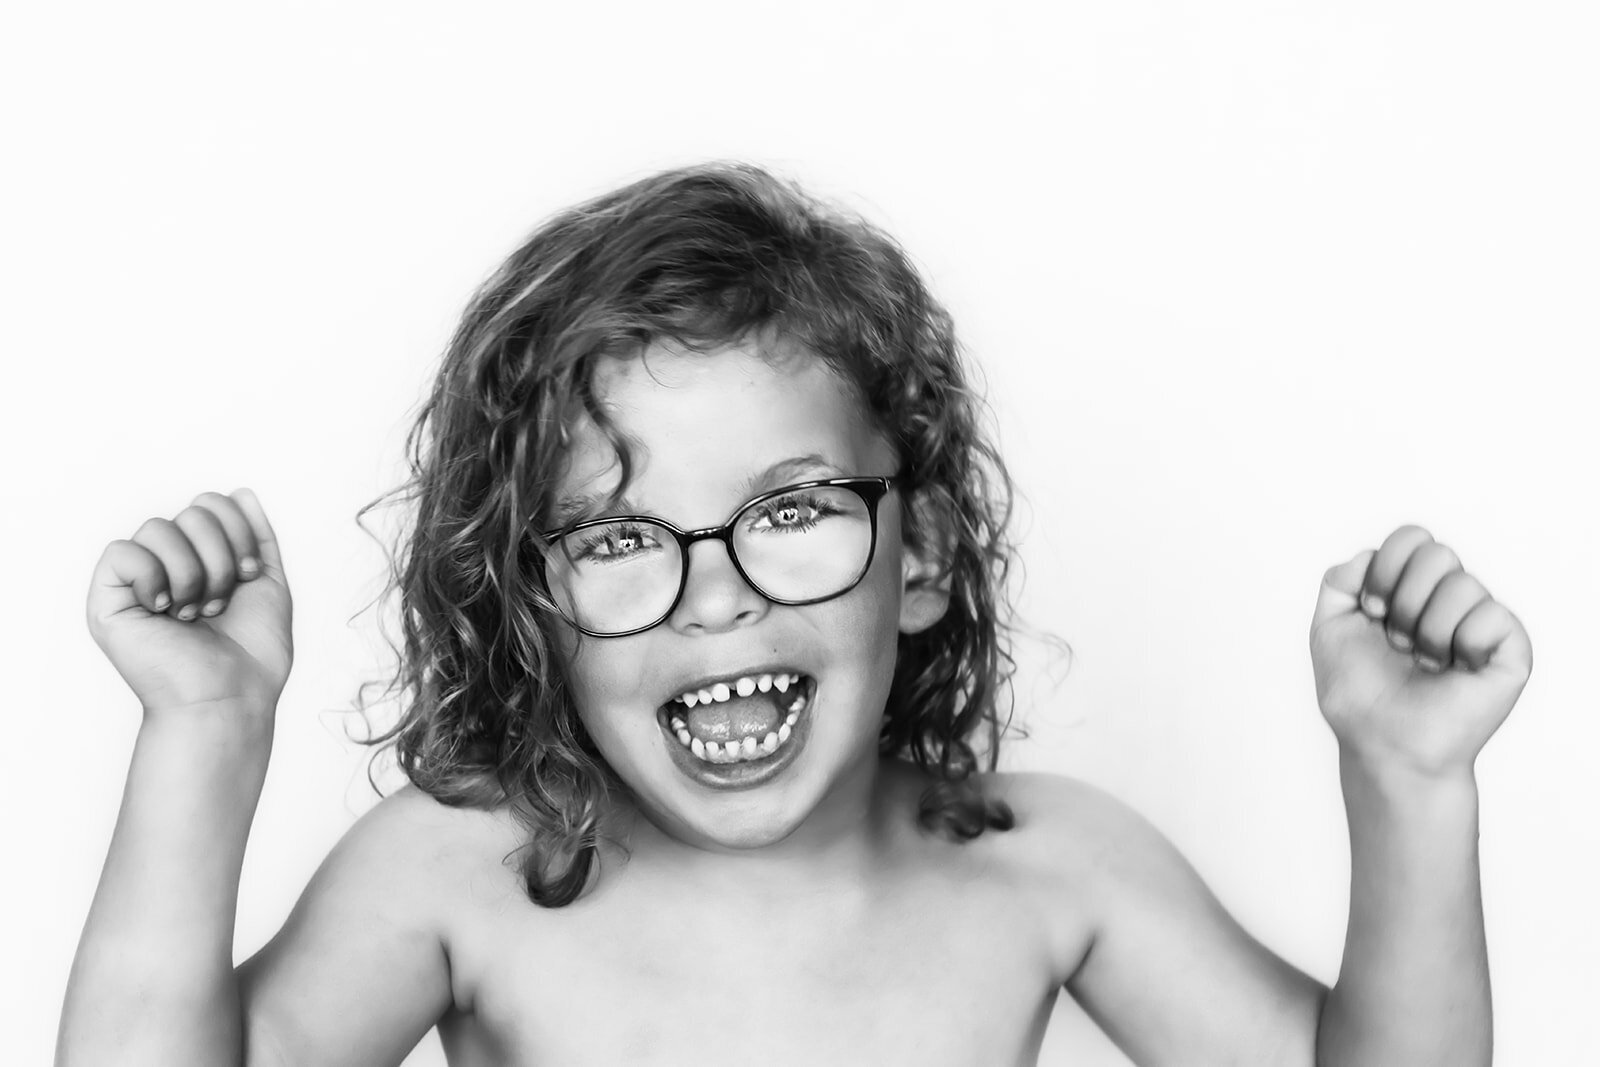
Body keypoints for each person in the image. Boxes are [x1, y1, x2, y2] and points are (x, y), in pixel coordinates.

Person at [58, 162, 1532, 1066]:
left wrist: (1410, 787)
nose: (716, 600)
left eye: (791, 512)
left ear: (923, 556)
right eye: (623, 535)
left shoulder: (1049, 870)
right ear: (532, 601)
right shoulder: (458, 879)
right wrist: (203, 731)